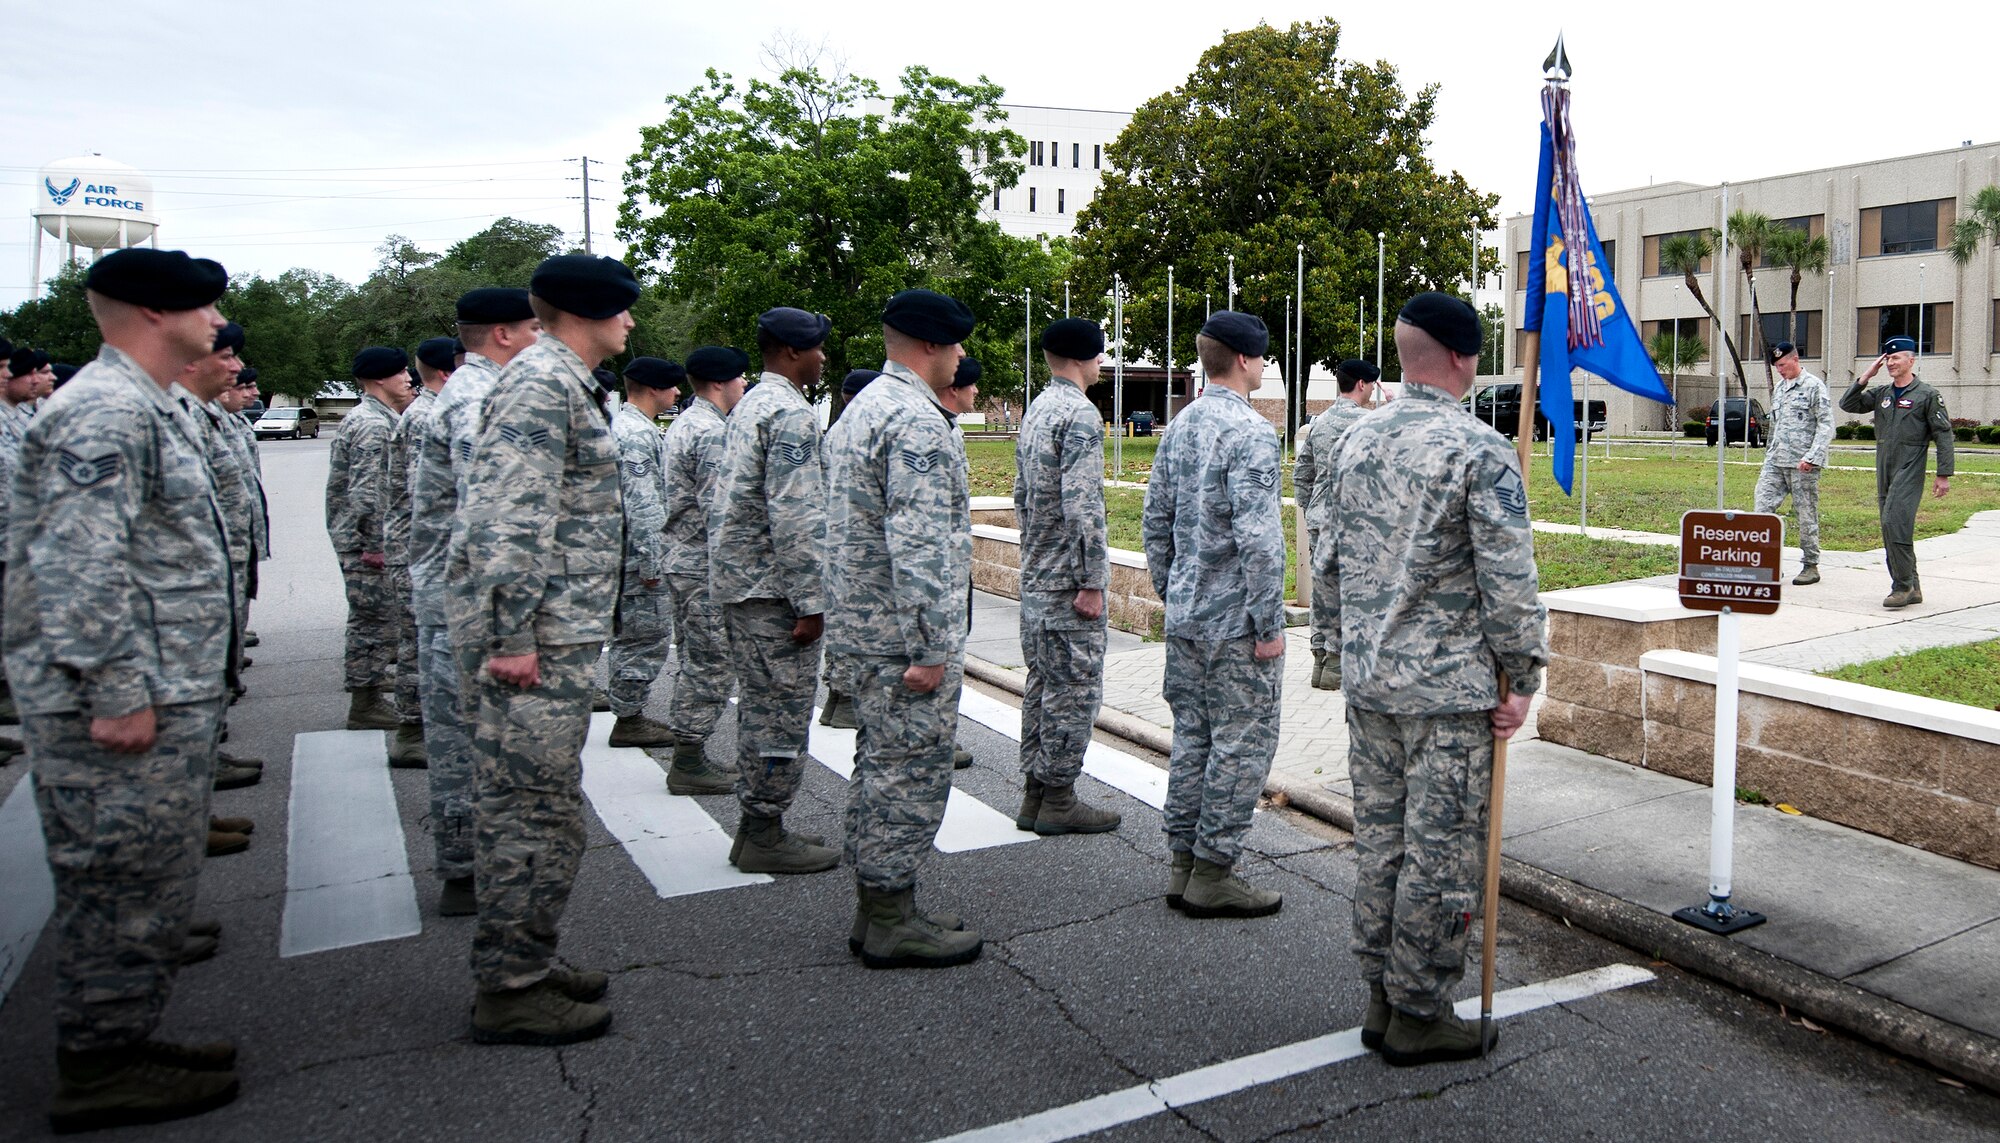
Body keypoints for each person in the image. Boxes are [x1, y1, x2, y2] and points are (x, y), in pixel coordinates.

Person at [7, 247, 243, 1131]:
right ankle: (101, 1063)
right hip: (121, 691)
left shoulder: (145, 403)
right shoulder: (103, 409)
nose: (219, 324)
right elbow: (79, 562)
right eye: (207, 308)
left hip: (160, 680)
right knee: (117, 878)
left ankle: (123, 1037)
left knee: (143, 876)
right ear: (154, 312)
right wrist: (115, 689)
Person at [1315, 292, 1546, 1067]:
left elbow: (1327, 561)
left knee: (1380, 843)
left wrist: (1333, 655)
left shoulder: (1350, 439)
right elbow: (1509, 582)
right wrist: (1524, 676)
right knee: (1440, 854)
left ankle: (1381, 994)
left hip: (1371, 681)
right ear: (1462, 356)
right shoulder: (1479, 450)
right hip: (1447, 694)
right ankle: (1419, 1009)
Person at [458, 254, 636, 1044]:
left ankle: (526, 957)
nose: (631, 322)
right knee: (526, 811)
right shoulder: (540, 382)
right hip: (537, 639)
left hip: (557, 631)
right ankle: (510, 985)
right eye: (622, 309)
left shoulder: (560, 380)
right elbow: (508, 517)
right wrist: (512, 634)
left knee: (546, 806)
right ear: (588, 312)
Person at [824, 289, 981, 968]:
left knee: (879, 765)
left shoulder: (866, 406)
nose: (962, 357)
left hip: (867, 624)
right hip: (901, 634)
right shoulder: (915, 420)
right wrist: (929, 646)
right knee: (909, 773)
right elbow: (918, 544)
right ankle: (890, 915)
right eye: (956, 345)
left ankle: (880, 905)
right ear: (929, 347)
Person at [1140, 311, 1288, 920]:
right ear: (1248, 361)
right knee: (1241, 743)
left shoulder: (1181, 426)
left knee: (1193, 740)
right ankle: (1214, 870)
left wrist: (1174, 591)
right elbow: (1260, 539)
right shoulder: (1250, 432)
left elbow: (1155, 522)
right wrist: (1270, 624)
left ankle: (1183, 863)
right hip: (1235, 626)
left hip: (1188, 616)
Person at [413, 288, 540, 918]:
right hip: (466, 609)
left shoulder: (472, 391)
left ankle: (472, 870)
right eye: (534, 329)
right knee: (469, 745)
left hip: (463, 602)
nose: (542, 340)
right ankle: (470, 875)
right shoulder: (478, 396)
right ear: (503, 335)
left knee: (468, 742)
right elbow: (488, 510)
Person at [710, 307, 839, 875]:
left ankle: (756, 826)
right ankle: (763, 827)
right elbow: (796, 515)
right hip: (773, 592)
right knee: (778, 714)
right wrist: (811, 603)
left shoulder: (753, 404)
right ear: (791, 352)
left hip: (747, 583)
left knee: (763, 707)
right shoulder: (789, 413)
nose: (823, 357)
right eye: (816, 347)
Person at [1012, 318, 1119, 834]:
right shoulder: (1079, 414)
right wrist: (1093, 579)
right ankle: (1058, 797)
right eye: (1100, 355)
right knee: (1073, 689)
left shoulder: (1037, 409)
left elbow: (1020, 497)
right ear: (1084, 358)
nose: (1102, 364)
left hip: (1037, 572)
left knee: (1041, 684)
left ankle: (1035, 792)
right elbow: (1084, 507)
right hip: (1066, 581)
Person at [656, 355, 744, 793]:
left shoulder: (688, 423)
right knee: (710, 663)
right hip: (704, 566)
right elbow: (720, 513)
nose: (744, 382)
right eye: (739, 375)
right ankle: (688, 759)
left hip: (684, 561)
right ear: (718, 382)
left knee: (697, 659)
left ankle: (691, 752)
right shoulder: (710, 432)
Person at [379, 337, 457, 766]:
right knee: (419, 642)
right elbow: (423, 496)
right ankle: (412, 732)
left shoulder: (429, 412)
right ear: (449, 372)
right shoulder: (428, 417)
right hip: (421, 552)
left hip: (422, 550)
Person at [326, 347, 409, 731]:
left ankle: (370, 685)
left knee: (374, 619)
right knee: (373, 620)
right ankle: (366, 701)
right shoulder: (373, 425)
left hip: (363, 538)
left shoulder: (376, 417)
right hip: (367, 543)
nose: (408, 378)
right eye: (399, 372)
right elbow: (368, 492)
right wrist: (377, 545)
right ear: (379, 379)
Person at [605, 354, 685, 749]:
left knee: (634, 634)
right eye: (672, 385)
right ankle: (629, 717)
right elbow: (643, 503)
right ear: (654, 388)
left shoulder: (630, 427)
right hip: (638, 555)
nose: (677, 391)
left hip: (627, 550)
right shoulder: (635, 434)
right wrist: (653, 560)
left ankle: (626, 709)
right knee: (644, 635)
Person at [1839, 335, 1953, 608]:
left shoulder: (1927, 394)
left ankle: (1901, 586)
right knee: (1891, 528)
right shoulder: (1882, 394)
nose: (1890, 362)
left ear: (1911, 360)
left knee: (1895, 522)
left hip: (1910, 467)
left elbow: (1943, 434)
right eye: (1887, 358)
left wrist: (1943, 474)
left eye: (1896, 357)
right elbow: (1848, 405)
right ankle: (1912, 586)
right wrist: (1866, 375)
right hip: (1884, 468)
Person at [1294, 359, 1381, 689]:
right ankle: (1337, 663)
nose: (1372, 389)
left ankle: (1320, 659)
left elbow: (1302, 474)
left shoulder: (1319, 422)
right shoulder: (1370, 423)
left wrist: (1312, 509)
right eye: (1371, 384)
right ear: (1361, 384)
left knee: (1322, 591)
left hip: (1320, 522)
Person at [817, 368, 883, 732]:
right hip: (856, 543)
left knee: (842, 625)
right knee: (859, 629)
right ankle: (845, 703)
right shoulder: (860, 429)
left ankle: (836, 701)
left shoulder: (836, 431)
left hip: (837, 540)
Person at [1751, 342, 1833, 586]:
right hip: (1776, 461)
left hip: (1802, 463)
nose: (1780, 370)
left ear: (1795, 359)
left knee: (1806, 513)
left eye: (1783, 365)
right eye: (1776, 366)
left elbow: (1826, 425)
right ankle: (1768, 563)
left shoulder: (1813, 387)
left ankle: (1810, 564)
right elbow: (1776, 426)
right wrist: (1769, 454)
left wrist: (1813, 456)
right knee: (1762, 509)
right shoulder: (1779, 388)